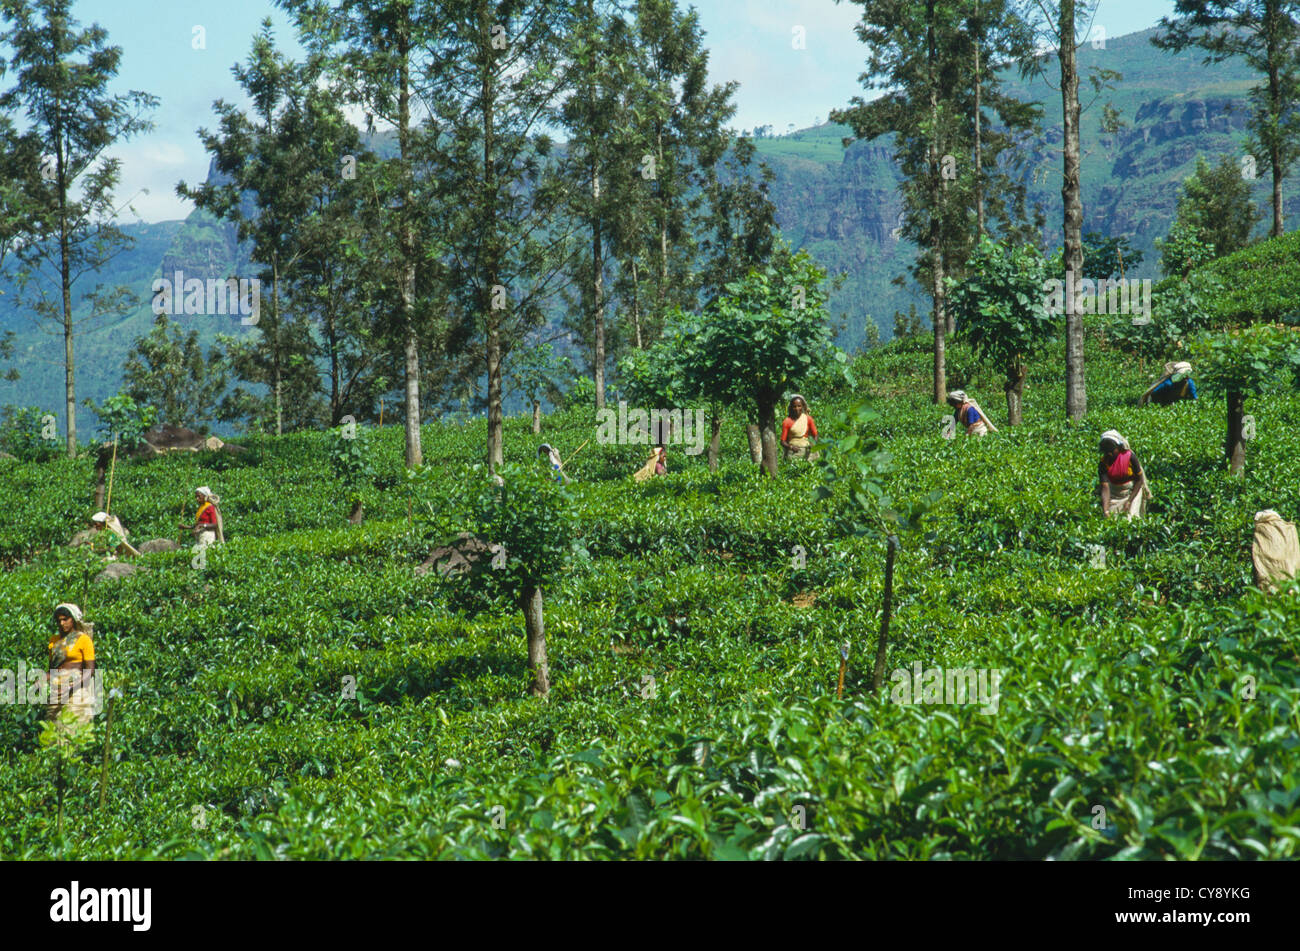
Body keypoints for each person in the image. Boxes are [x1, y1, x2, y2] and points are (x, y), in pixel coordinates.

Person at [45, 603, 97, 736]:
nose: (62, 623)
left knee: (71, 729)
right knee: (53, 730)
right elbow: (52, 670)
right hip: (57, 689)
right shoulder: (54, 641)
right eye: (59, 620)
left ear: (72, 619)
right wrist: (41, 680)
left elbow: (90, 671)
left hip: (76, 689)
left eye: (65, 619)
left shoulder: (83, 640)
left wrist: (72, 687)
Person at [1097, 430, 1151, 520]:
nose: (1109, 453)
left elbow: (1139, 480)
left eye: (1111, 450)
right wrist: (1105, 510)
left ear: (1119, 448)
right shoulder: (1103, 463)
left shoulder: (1130, 457)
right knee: (1112, 521)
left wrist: (1129, 501)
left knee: (1131, 519)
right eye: (1106, 451)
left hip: (1133, 491)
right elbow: (1105, 487)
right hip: (1115, 494)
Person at [781, 395, 819, 459]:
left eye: (799, 406)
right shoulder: (787, 421)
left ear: (803, 407)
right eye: (794, 406)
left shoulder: (808, 419)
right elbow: (782, 441)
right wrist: (791, 447)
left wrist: (813, 444)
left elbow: (815, 435)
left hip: (807, 451)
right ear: (791, 408)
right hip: (793, 452)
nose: (797, 409)